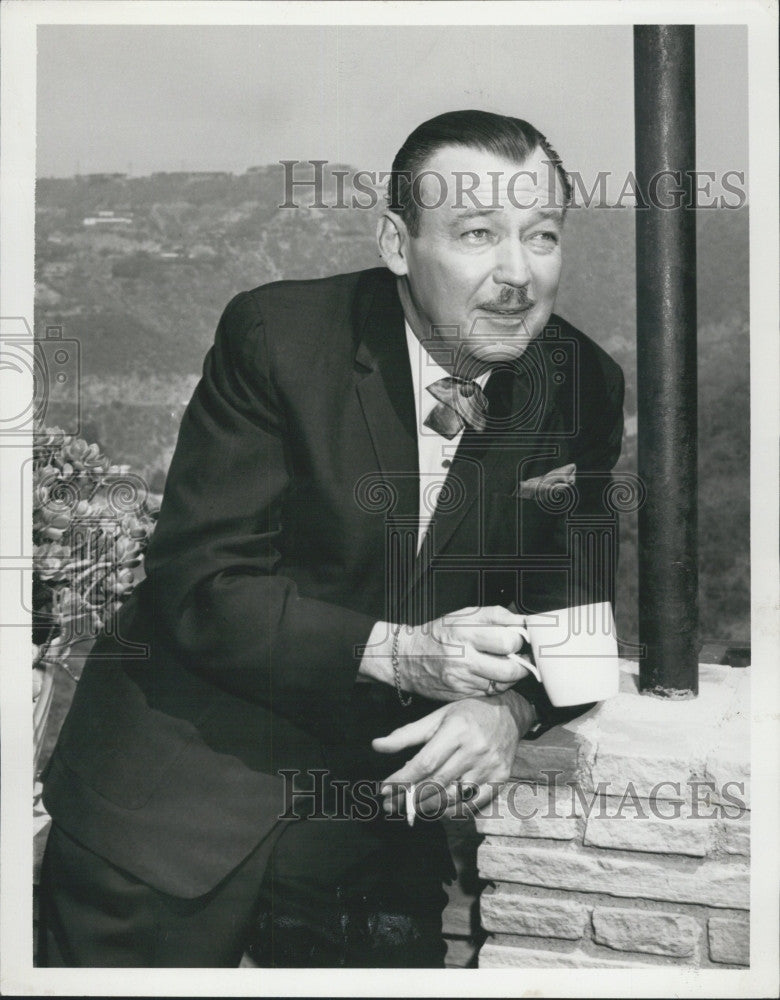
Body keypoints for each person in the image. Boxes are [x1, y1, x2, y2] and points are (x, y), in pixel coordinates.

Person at [38, 110, 624, 967]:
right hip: (170, 806)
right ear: (397, 242)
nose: (516, 274)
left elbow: (581, 614)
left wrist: (512, 709)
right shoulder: (278, 337)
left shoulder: (582, 386)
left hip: (374, 826)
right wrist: (403, 653)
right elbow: (202, 583)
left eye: (541, 236)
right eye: (475, 234)